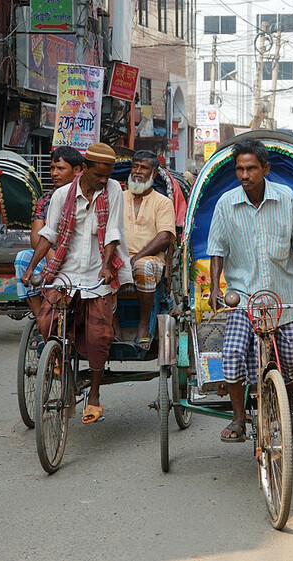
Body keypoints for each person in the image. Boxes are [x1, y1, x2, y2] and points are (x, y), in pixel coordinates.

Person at [207, 138, 293, 442]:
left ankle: (289, 408)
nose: (244, 175)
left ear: (265, 169)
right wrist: (215, 287)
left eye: (251, 168)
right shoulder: (226, 204)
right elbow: (216, 248)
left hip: (283, 296)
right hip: (243, 297)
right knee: (231, 353)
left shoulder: (287, 198)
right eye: (239, 169)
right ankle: (239, 417)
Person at [20, 142, 132, 425]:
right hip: (65, 271)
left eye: (109, 174)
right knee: (47, 323)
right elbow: (49, 234)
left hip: (97, 272)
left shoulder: (114, 191)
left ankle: (93, 394)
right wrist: (32, 268)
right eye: (100, 175)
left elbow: (113, 232)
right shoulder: (61, 196)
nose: (104, 180)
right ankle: (64, 373)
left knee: (98, 336)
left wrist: (107, 267)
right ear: (85, 169)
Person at [14, 146, 82, 318]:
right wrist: (50, 253)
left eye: (60, 168)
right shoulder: (45, 200)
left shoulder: (84, 196)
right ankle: (41, 319)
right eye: (52, 168)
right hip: (49, 255)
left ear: (77, 171)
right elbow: (37, 237)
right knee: (23, 258)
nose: (54, 173)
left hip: (77, 257)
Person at [120, 150, 176, 348]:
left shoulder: (162, 202)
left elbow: (164, 237)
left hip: (151, 260)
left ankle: (143, 324)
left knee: (142, 266)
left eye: (144, 167)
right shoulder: (118, 197)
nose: (138, 171)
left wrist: (134, 259)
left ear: (154, 172)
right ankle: (112, 326)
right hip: (118, 258)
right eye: (135, 166)